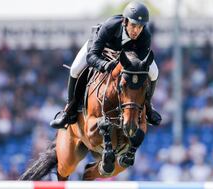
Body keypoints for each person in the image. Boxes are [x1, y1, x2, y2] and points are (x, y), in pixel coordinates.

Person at [50, 1, 162, 129]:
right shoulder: (111, 26)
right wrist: (105, 65)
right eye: (133, 25)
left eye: (140, 26)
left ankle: (149, 107)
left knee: (154, 72)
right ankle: (68, 110)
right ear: (125, 21)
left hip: (125, 56)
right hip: (101, 49)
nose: (136, 30)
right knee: (75, 69)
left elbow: (139, 65)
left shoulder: (145, 35)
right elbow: (92, 56)